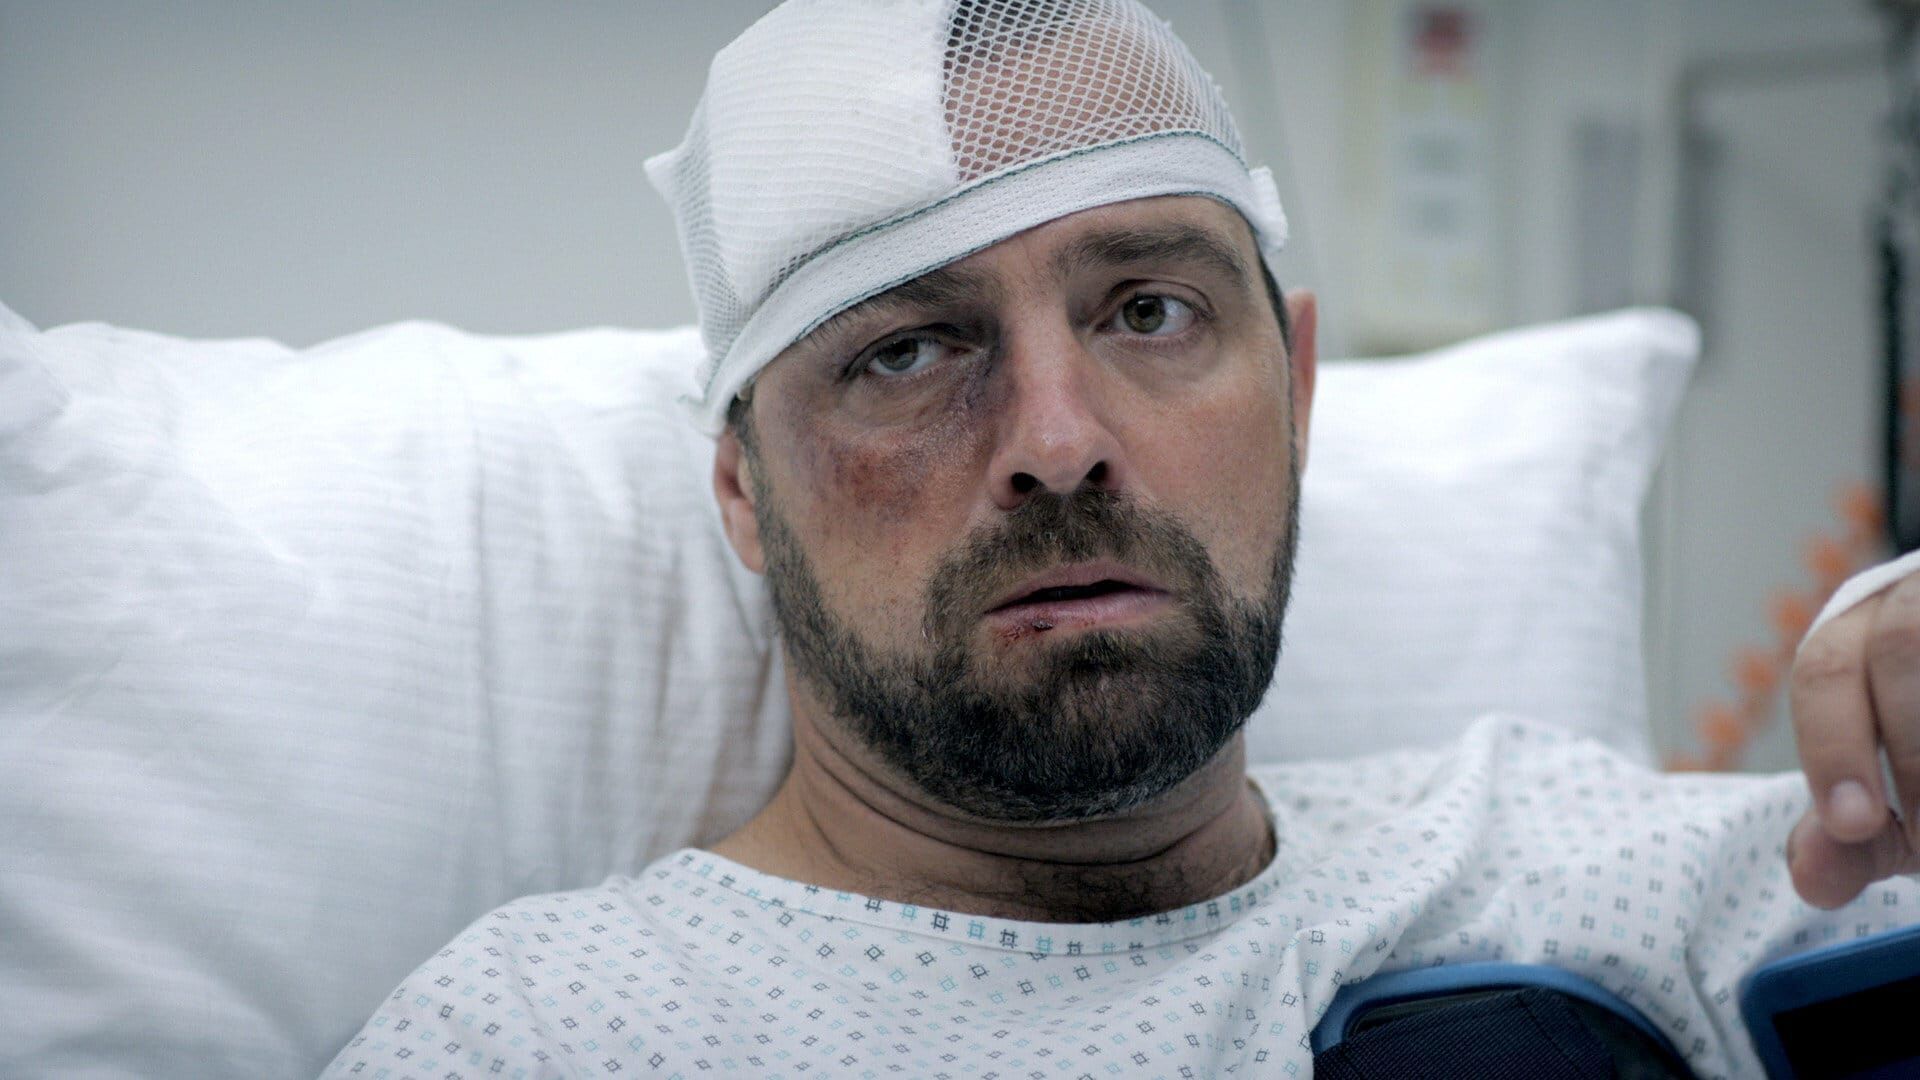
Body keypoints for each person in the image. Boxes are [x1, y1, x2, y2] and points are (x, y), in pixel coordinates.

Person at [325, 1, 1920, 1075]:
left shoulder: (1567, 872)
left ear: (1296, 385)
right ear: (743, 487)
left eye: (1149, 311)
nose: (1060, 440)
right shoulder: (547, 1036)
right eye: (907, 350)